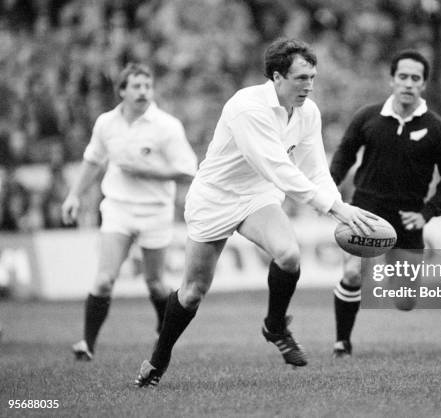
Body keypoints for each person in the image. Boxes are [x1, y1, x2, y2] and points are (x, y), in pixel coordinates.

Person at [134, 38, 377, 387]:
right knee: (192, 291)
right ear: (276, 77)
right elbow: (278, 168)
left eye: (312, 77)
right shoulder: (247, 107)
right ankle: (159, 359)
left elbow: (314, 168)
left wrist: (338, 203)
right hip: (214, 199)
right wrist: (333, 207)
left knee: (289, 255)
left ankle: (275, 326)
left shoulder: (308, 112)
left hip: (257, 195)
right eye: (300, 78)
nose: (308, 86)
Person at [61, 63, 198, 360]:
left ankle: (165, 335)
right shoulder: (106, 123)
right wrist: (74, 195)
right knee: (104, 279)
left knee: (155, 283)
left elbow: (189, 171)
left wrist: (148, 171)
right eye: (136, 86)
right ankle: (87, 343)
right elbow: (93, 161)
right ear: (121, 91)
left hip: (155, 212)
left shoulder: (167, 125)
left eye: (147, 86)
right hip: (118, 209)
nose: (143, 92)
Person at [329, 49, 441, 357]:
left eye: (416, 78)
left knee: (404, 301)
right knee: (351, 274)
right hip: (365, 211)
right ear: (392, 80)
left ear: (424, 85)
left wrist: (426, 213)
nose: (408, 84)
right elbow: (344, 156)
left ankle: (410, 265)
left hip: (406, 219)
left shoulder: (440, 130)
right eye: (403, 77)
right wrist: (328, 191)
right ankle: (341, 343)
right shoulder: (368, 117)